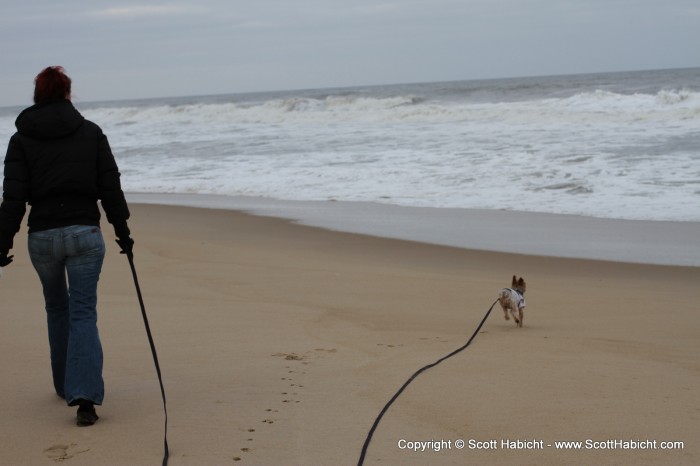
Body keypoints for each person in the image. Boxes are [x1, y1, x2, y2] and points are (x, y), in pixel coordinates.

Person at [0, 66, 134, 426]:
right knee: (83, 312)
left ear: (37, 95)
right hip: (84, 235)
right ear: (67, 94)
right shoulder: (90, 133)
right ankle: (84, 397)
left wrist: (3, 240)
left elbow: (13, 198)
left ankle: (64, 384)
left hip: (42, 237)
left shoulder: (21, 139)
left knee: (57, 308)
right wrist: (123, 231)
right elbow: (110, 186)